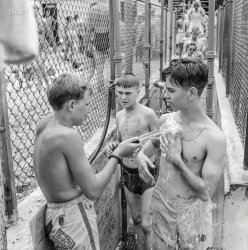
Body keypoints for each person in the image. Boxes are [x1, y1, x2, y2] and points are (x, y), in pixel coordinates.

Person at [33, 73, 141, 250]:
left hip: (54, 217)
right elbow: (93, 190)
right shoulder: (69, 136)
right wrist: (118, 154)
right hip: (74, 218)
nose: (89, 109)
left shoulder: (44, 124)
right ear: (72, 105)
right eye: (87, 104)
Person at [136, 59, 226, 250]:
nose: (164, 95)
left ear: (192, 93)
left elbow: (205, 192)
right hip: (162, 203)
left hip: (194, 211)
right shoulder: (166, 121)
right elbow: (148, 147)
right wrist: (141, 156)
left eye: (171, 90)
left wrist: (177, 161)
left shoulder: (213, 138)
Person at [108, 73, 159, 250]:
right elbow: (121, 138)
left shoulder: (149, 114)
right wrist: (115, 143)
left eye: (128, 93)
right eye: (120, 92)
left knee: (146, 224)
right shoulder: (120, 116)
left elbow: (158, 140)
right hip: (128, 172)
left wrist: (144, 151)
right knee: (136, 219)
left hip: (147, 172)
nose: (123, 97)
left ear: (138, 91)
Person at [83, 1, 109, 93]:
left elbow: (88, 31)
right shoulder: (109, 8)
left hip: (96, 41)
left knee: (96, 70)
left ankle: (99, 89)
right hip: (107, 38)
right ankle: (103, 89)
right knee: (103, 68)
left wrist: (85, 46)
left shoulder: (93, 10)